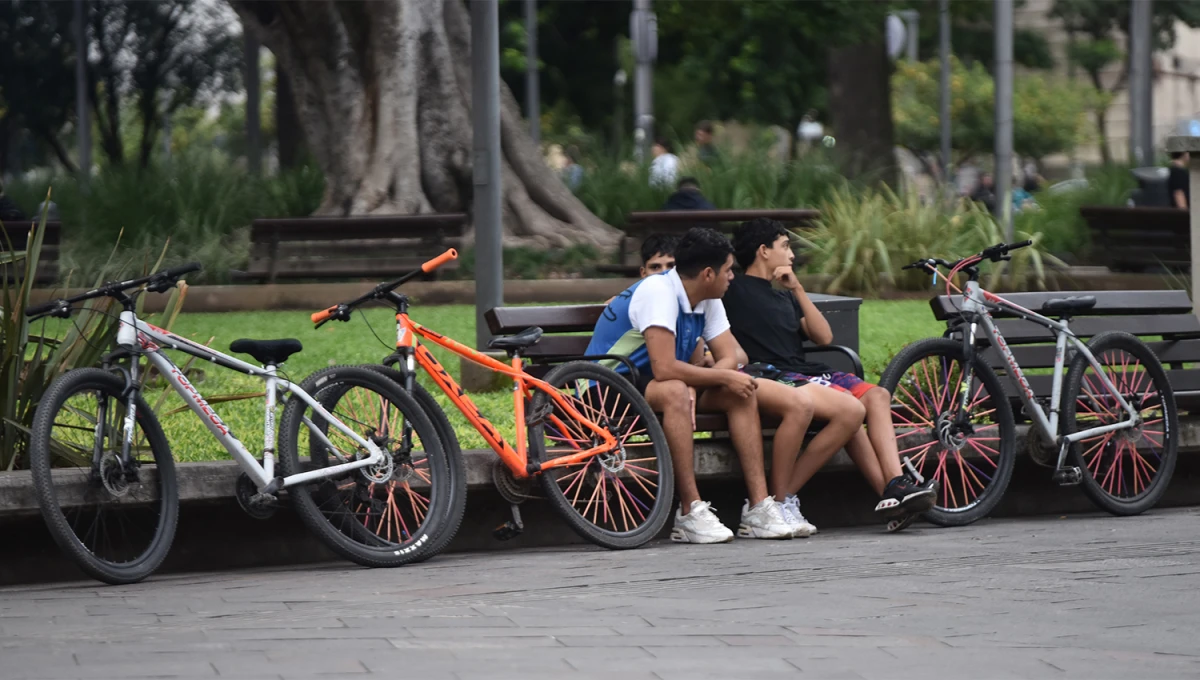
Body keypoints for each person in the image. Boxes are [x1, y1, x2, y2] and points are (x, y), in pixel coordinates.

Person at [723, 218, 937, 530]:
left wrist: (796, 288)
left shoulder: (784, 295)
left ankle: (895, 486)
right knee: (851, 413)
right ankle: (781, 499)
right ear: (763, 251)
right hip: (775, 376)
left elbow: (824, 337)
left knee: (877, 396)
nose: (792, 254)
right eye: (785, 246)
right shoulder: (734, 289)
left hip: (808, 373)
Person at [586, 227, 794, 543]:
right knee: (678, 390)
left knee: (740, 391)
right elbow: (665, 367)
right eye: (728, 270)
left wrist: (716, 380)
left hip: (653, 383)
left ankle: (759, 509)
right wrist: (716, 377)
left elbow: (728, 356)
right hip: (608, 386)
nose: (732, 278)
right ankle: (689, 511)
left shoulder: (708, 296)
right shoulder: (658, 292)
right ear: (708, 273)